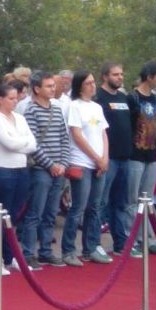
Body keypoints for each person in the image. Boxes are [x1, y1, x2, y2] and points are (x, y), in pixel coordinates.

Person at [0, 81, 37, 272]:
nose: (15, 101)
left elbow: (33, 143)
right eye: (11, 98)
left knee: (13, 216)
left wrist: (19, 142)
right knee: (1, 215)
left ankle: (10, 255)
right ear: (0, 99)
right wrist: (22, 142)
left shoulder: (19, 118)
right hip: (2, 170)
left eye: (17, 98)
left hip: (21, 169)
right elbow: (8, 143)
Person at [21, 70, 71, 267]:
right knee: (35, 212)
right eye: (49, 86)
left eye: (53, 86)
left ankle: (46, 251)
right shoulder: (30, 111)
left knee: (51, 213)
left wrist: (63, 164)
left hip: (59, 169)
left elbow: (64, 139)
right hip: (41, 170)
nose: (53, 89)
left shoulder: (57, 110)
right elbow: (33, 144)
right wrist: (50, 165)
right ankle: (27, 253)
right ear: (37, 89)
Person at [63, 70, 112, 265]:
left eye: (93, 82)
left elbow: (103, 134)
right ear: (80, 86)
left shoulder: (97, 107)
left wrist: (104, 158)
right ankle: (68, 250)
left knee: (95, 207)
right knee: (78, 207)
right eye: (88, 83)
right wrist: (96, 158)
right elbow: (77, 135)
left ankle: (90, 247)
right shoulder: (74, 106)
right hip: (82, 162)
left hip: (98, 163)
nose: (93, 86)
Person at [127, 61, 156, 257]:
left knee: (148, 199)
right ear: (149, 77)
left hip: (151, 153)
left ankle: (148, 238)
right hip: (135, 153)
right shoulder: (132, 98)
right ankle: (131, 239)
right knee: (133, 199)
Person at [95, 62, 133, 254]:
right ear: (105, 76)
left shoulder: (123, 97)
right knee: (100, 203)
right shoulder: (98, 98)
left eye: (121, 74)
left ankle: (120, 243)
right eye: (115, 74)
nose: (120, 77)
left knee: (121, 203)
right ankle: (94, 244)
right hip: (107, 158)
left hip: (125, 157)